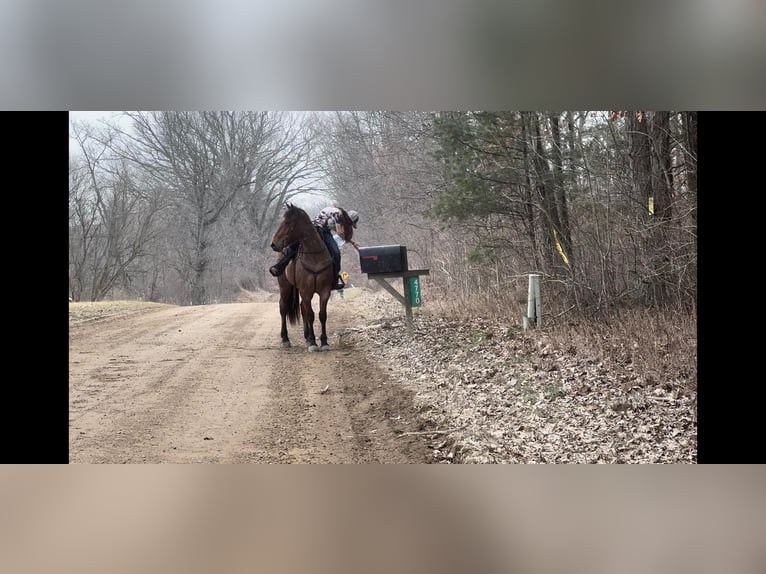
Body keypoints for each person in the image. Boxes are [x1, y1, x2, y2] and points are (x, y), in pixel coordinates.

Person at [269, 206, 360, 290]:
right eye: (351, 224)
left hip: (313, 228)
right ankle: (335, 278)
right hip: (322, 230)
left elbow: (336, 230)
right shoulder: (339, 216)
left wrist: (352, 242)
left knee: (295, 245)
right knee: (336, 253)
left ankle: (279, 266)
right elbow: (339, 232)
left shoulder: (338, 213)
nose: (350, 226)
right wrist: (348, 238)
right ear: (349, 220)